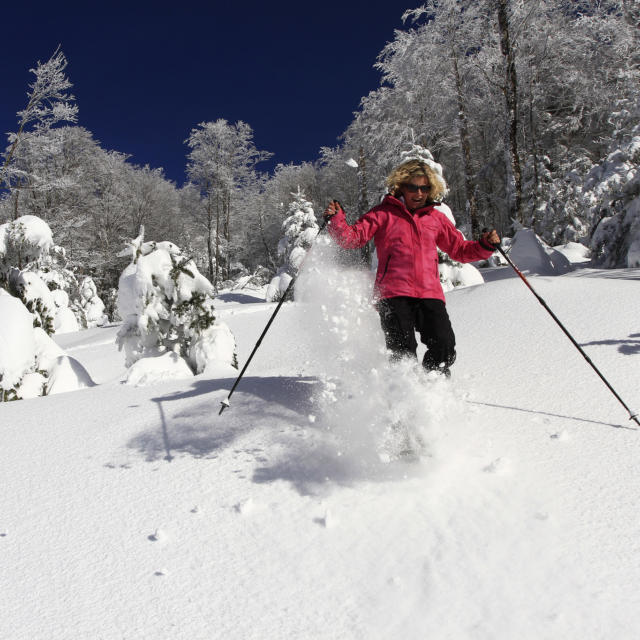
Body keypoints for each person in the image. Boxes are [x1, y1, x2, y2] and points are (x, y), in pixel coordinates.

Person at [324, 158, 500, 377]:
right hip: (393, 293)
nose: (419, 193)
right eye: (413, 187)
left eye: (424, 188)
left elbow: (460, 250)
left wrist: (485, 246)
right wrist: (337, 220)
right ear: (401, 186)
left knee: (444, 346)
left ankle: (432, 390)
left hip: (429, 294)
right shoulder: (383, 213)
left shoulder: (436, 218)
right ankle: (402, 398)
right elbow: (352, 238)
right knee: (402, 353)